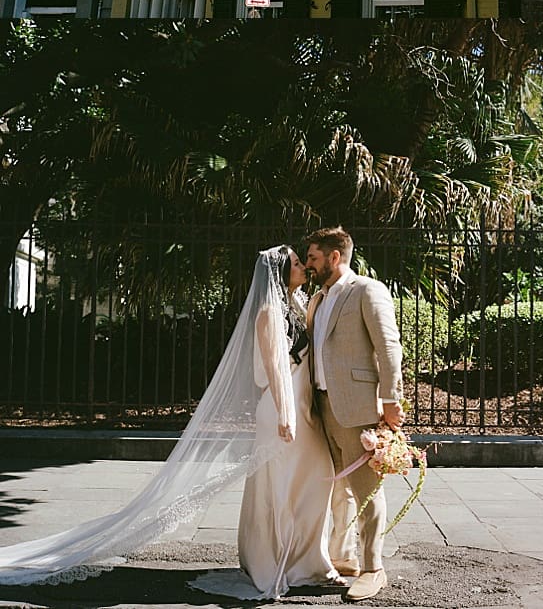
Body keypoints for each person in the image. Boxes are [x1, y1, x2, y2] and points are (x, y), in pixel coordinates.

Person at [0, 245, 345, 599]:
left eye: (305, 262)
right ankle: (277, 562)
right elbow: (275, 370)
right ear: (280, 271)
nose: (304, 267)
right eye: (298, 263)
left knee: (311, 483)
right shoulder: (270, 313)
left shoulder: (298, 304)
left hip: (304, 409)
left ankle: (305, 560)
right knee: (281, 489)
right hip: (281, 410)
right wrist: (286, 413)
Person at [305, 226, 405, 602]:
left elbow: (388, 346)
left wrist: (392, 399)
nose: (309, 264)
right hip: (322, 407)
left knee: (366, 491)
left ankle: (373, 569)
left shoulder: (366, 289)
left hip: (358, 406)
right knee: (339, 491)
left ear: (334, 256)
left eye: (314, 257)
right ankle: (343, 556)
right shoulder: (317, 298)